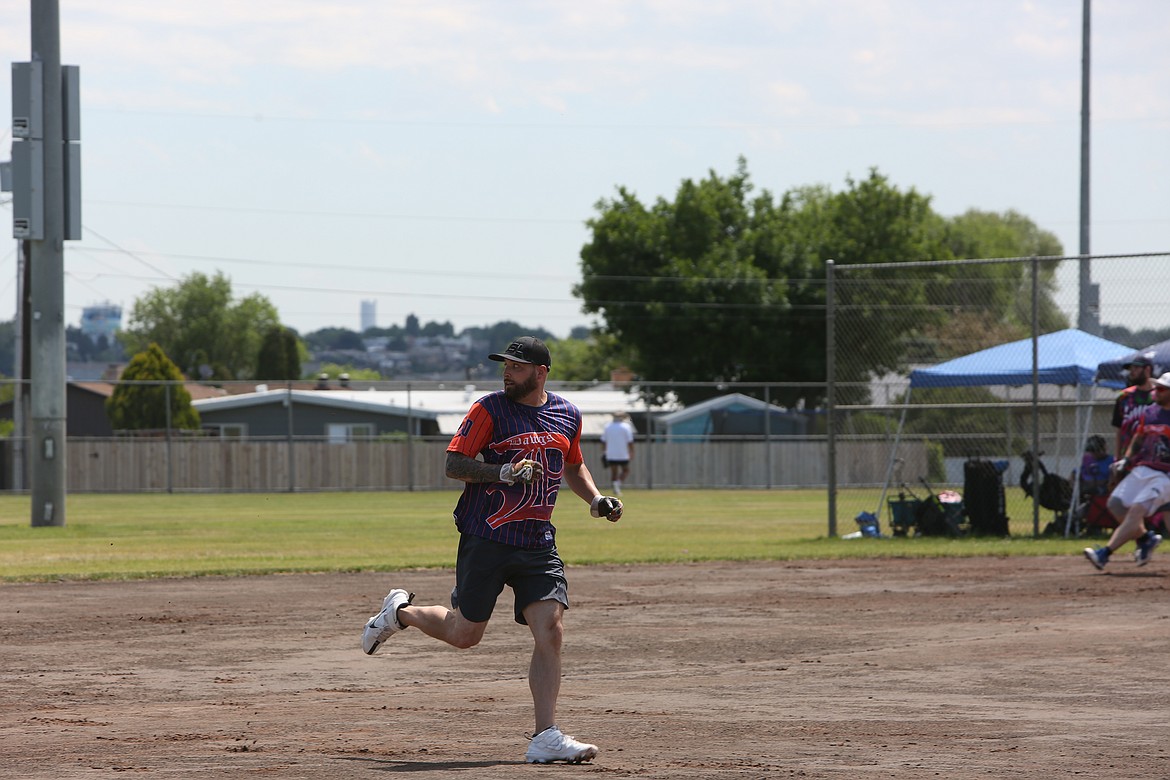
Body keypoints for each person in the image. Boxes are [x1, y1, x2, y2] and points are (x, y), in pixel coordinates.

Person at [360, 336, 624, 764]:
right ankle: (399, 612)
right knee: (466, 634)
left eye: (516, 367)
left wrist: (595, 499)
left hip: (537, 541)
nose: (507, 373)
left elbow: (572, 464)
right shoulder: (489, 409)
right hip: (487, 537)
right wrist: (501, 471)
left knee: (551, 631)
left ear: (540, 373)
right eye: (505, 365)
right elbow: (454, 463)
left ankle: (545, 736)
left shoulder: (567, 414)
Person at [1083, 372, 1170, 571]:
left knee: (1137, 509)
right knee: (1115, 504)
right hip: (1144, 468)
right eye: (1157, 388)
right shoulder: (1150, 412)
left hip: (1166, 475)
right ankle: (1145, 538)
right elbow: (1138, 438)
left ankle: (1104, 553)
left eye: (1163, 389)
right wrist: (1126, 460)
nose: (1157, 391)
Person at [1112, 355, 1157, 459]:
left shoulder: (1160, 395)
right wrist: (1117, 457)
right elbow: (1118, 428)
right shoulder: (1124, 396)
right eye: (1131, 369)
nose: (1132, 372)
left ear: (1147, 369)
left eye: (1136, 368)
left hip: (1154, 456)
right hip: (1128, 457)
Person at [600, 411, 635, 495]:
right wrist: (632, 451)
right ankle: (617, 485)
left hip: (611, 453)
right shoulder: (626, 427)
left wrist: (604, 451)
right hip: (622, 453)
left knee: (614, 472)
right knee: (626, 470)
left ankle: (615, 486)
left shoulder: (608, 427)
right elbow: (630, 441)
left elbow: (603, 441)